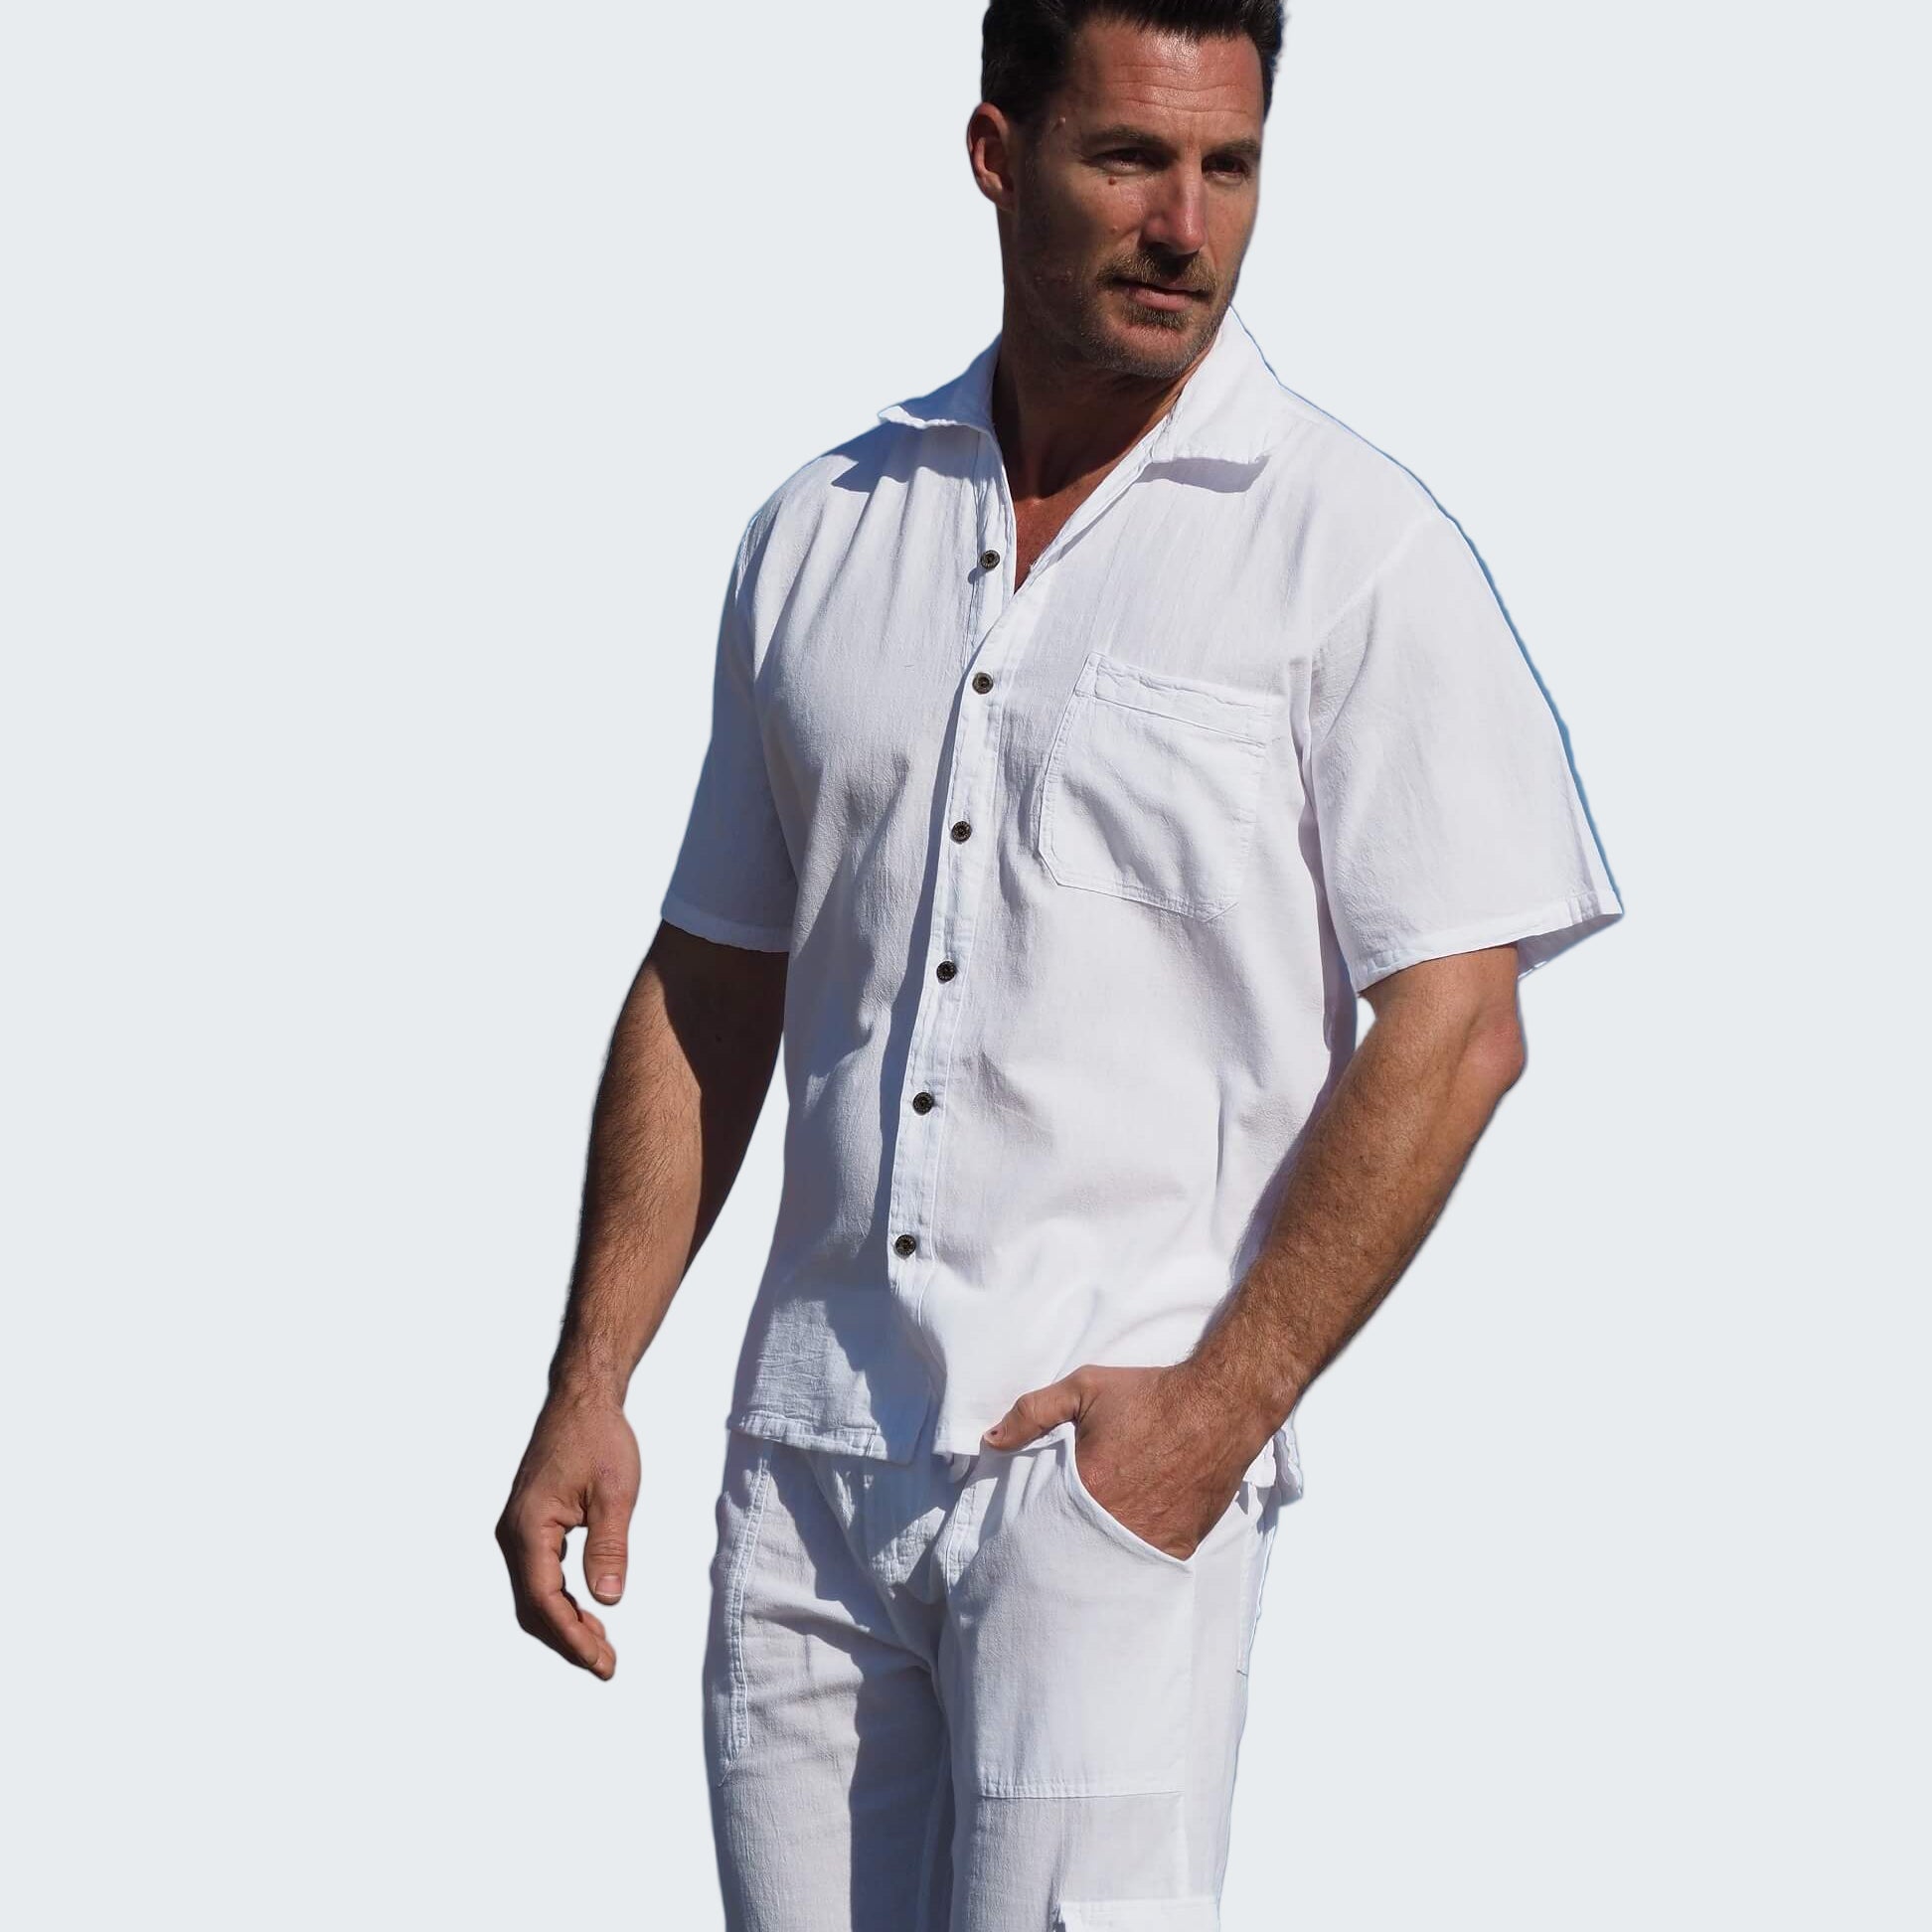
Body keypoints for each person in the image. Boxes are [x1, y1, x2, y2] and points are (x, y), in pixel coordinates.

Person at [495, 2, 1624, 1924]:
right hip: (807, 1470)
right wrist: (591, 1381)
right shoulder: (823, 532)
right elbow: (712, 973)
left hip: (1099, 1471)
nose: (1187, 220)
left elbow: (1458, 1023)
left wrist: (1208, 1421)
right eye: (1128, 159)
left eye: (1232, 167)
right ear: (995, 153)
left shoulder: (1351, 550)